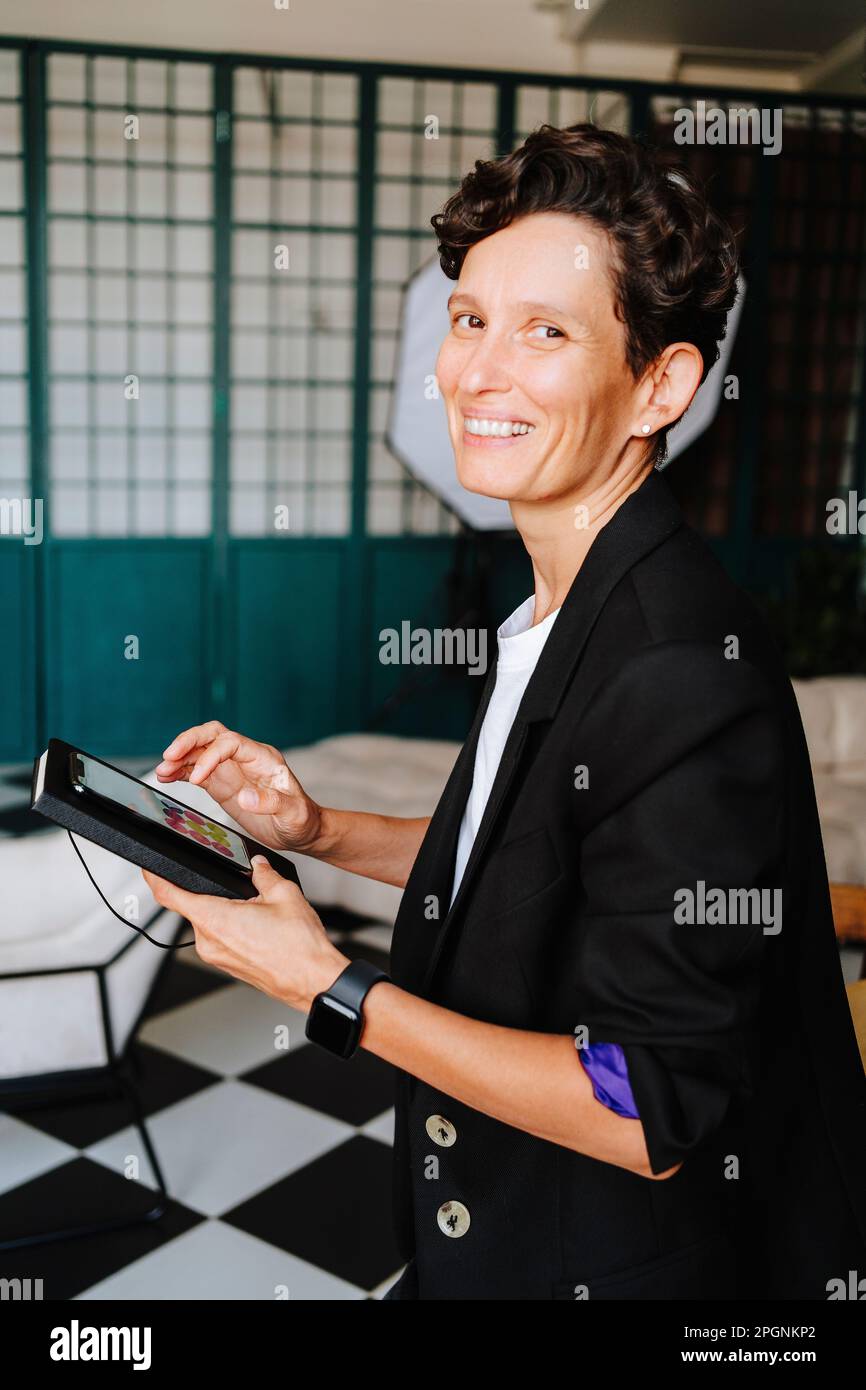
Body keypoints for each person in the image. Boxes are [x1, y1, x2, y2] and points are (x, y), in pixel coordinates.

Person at [143, 124, 866, 1300]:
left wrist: (322, 985)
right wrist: (315, 832)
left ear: (660, 383)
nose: (476, 371)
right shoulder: (562, 601)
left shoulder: (676, 662)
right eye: (470, 318)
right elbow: (525, 857)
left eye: (547, 331)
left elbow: (652, 1104)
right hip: (499, 1224)